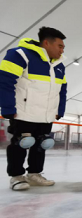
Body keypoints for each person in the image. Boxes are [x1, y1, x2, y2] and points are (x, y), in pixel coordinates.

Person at [0, 27, 67, 190]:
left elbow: (62, 89)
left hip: (46, 114)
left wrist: (60, 109)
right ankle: (16, 176)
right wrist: (7, 107)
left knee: (41, 144)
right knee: (21, 143)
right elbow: (5, 81)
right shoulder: (20, 55)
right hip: (23, 112)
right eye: (60, 46)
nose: (62, 50)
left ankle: (34, 174)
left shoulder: (58, 65)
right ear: (46, 43)